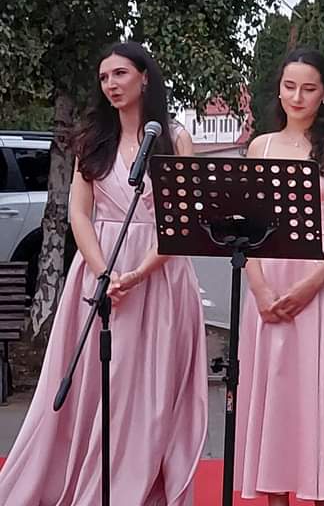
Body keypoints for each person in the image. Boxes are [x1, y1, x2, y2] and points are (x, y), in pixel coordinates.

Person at [0, 42, 208, 504]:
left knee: (149, 389)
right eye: (104, 77)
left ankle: (142, 484)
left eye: (120, 74)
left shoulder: (176, 139)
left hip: (160, 273)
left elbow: (183, 221)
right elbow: (79, 212)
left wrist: (138, 273)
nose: (111, 84)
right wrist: (103, 273)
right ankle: (87, 480)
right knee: (97, 383)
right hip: (99, 271)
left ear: (145, 77)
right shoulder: (93, 138)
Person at [235, 48, 324, 505]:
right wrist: (258, 286)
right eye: (290, 87)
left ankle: (319, 493)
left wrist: (316, 279)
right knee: (274, 395)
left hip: (322, 279)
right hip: (268, 280)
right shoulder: (260, 146)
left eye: (308, 88)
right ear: (278, 90)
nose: (297, 96)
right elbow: (245, 224)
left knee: (317, 392)